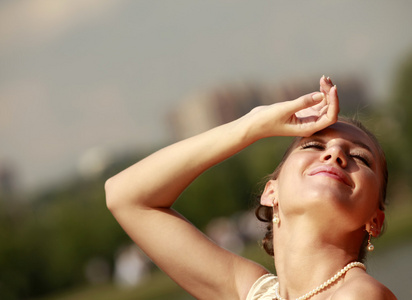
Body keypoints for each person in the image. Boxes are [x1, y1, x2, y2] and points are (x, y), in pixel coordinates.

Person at [105, 76, 397, 299]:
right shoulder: (254, 292)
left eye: (360, 157)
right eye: (312, 145)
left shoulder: (361, 295)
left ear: (375, 218)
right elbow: (125, 197)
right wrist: (252, 125)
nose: (335, 155)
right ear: (272, 192)